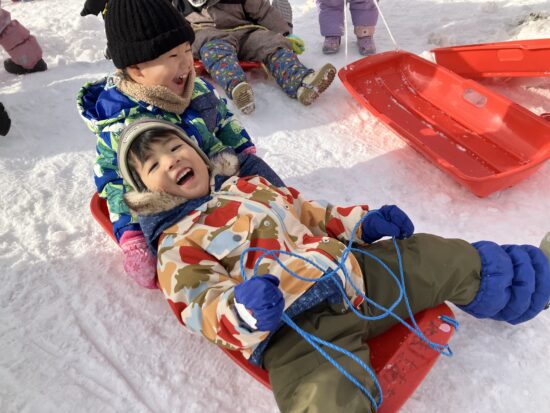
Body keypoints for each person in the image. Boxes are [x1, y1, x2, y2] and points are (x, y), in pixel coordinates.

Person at [118, 118, 550, 413]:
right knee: (325, 395)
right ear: (147, 193)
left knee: (439, 257)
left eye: (176, 147)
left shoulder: (251, 185)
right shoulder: (177, 244)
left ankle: (537, 280)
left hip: (355, 277)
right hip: (295, 328)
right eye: (154, 165)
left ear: (197, 151)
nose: (172, 160)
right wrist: (242, 311)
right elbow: (199, 305)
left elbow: (313, 214)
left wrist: (363, 222)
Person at [76, 0, 255, 289]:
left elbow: (223, 120)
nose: (186, 63)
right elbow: (115, 183)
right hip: (173, 201)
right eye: (172, 55)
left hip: (214, 180)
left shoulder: (196, 88)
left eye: (187, 49)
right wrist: (132, 237)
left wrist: (245, 153)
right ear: (136, 69)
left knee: (259, 208)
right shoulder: (123, 126)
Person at [180, 0, 337, 114]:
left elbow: (264, 12)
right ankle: (237, 88)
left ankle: (301, 81)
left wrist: (285, 34)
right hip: (208, 35)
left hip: (245, 32)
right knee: (215, 50)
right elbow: (170, 25)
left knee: (270, 42)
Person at [0, 0, 47, 74]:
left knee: (7, 64)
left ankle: (26, 68)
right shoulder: (6, 19)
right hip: (39, 60)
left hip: (28, 65)